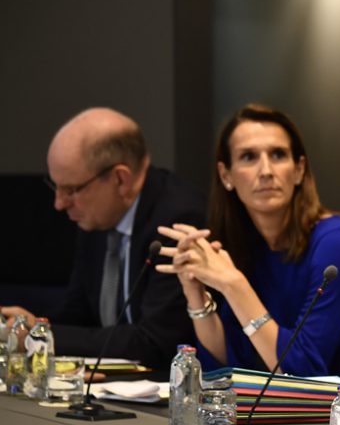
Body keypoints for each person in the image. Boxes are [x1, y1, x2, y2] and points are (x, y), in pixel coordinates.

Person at [157, 104, 340, 382]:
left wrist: (234, 285)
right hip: (288, 417)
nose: (266, 170)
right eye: (249, 157)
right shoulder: (250, 246)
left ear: (298, 170)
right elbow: (226, 363)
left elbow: (300, 373)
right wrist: (194, 291)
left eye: (278, 155)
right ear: (226, 176)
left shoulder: (339, 245)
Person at [1, 108, 204, 369]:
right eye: (55, 187)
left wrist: (44, 336)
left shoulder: (179, 221)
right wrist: (34, 325)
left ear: (120, 179)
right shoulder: (98, 214)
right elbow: (79, 312)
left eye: (71, 190)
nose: (59, 204)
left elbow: (155, 342)